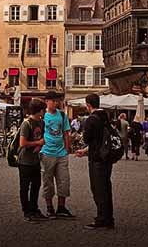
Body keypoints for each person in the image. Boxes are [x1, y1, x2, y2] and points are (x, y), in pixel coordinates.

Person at [75, 93, 114, 230]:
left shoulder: (91, 119)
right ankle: (109, 218)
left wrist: (85, 146)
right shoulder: (105, 116)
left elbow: (87, 138)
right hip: (106, 156)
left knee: (98, 188)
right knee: (106, 187)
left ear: (88, 105)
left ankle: (102, 219)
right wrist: (85, 150)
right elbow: (101, 139)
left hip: (97, 158)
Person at [40, 94, 74, 219]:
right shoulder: (42, 116)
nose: (56, 103)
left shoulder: (62, 115)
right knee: (47, 181)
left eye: (57, 101)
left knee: (64, 180)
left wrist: (66, 149)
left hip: (61, 153)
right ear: (47, 101)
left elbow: (66, 133)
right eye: (53, 101)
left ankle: (61, 207)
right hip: (47, 152)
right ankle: (49, 207)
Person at [18, 98, 48, 223]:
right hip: (25, 160)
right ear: (40, 111)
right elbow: (22, 143)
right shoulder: (26, 123)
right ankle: (27, 212)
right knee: (25, 187)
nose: (45, 112)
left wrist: (40, 145)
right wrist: (38, 142)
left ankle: (34, 209)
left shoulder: (41, 123)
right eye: (43, 110)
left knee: (36, 185)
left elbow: (43, 137)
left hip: (35, 160)